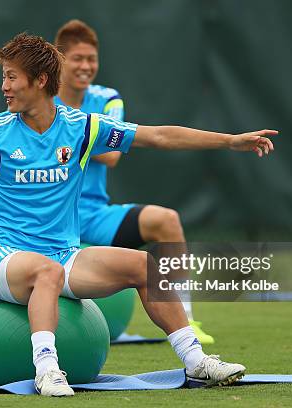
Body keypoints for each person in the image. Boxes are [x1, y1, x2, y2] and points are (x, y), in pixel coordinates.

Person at [0, 33, 277, 397]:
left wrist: (229, 140)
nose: (2, 86)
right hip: (4, 257)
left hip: (65, 253)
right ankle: (46, 369)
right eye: (2, 75)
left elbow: (159, 135)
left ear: (39, 81)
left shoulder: (83, 127)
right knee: (46, 274)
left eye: (10, 77)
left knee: (145, 265)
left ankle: (196, 361)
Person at [52, 19, 214, 344]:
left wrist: (60, 140)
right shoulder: (41, 100)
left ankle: (188, 319)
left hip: (95, 217)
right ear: (59, 59)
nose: (86, 66)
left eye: (91, 59)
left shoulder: (108, 97)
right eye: (77, 58)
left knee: (166, 220)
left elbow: (112, 155)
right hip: (52, 220)